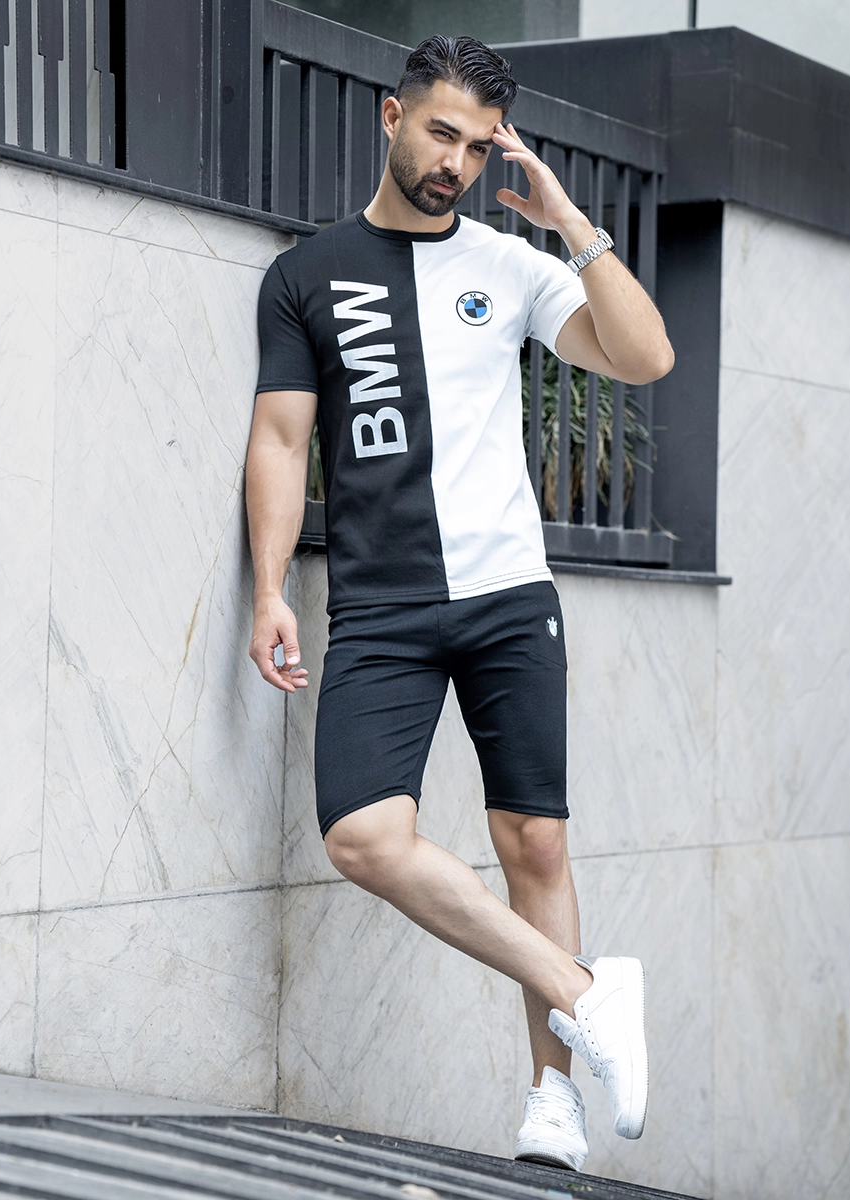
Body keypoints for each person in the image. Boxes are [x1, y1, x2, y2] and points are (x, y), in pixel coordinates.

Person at [246, 35, 674, 1172]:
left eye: (480, 147)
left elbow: (645, 357)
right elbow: (281, 440)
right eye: (442, 133)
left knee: (535, 841)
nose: (458, 163)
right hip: (383, 604)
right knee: (362, 835)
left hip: (506, 596)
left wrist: (568, 224)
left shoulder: (511, 264)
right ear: (391, 116)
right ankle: (588, 992)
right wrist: (269, 586)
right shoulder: (307, 275)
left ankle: (553, 1103)